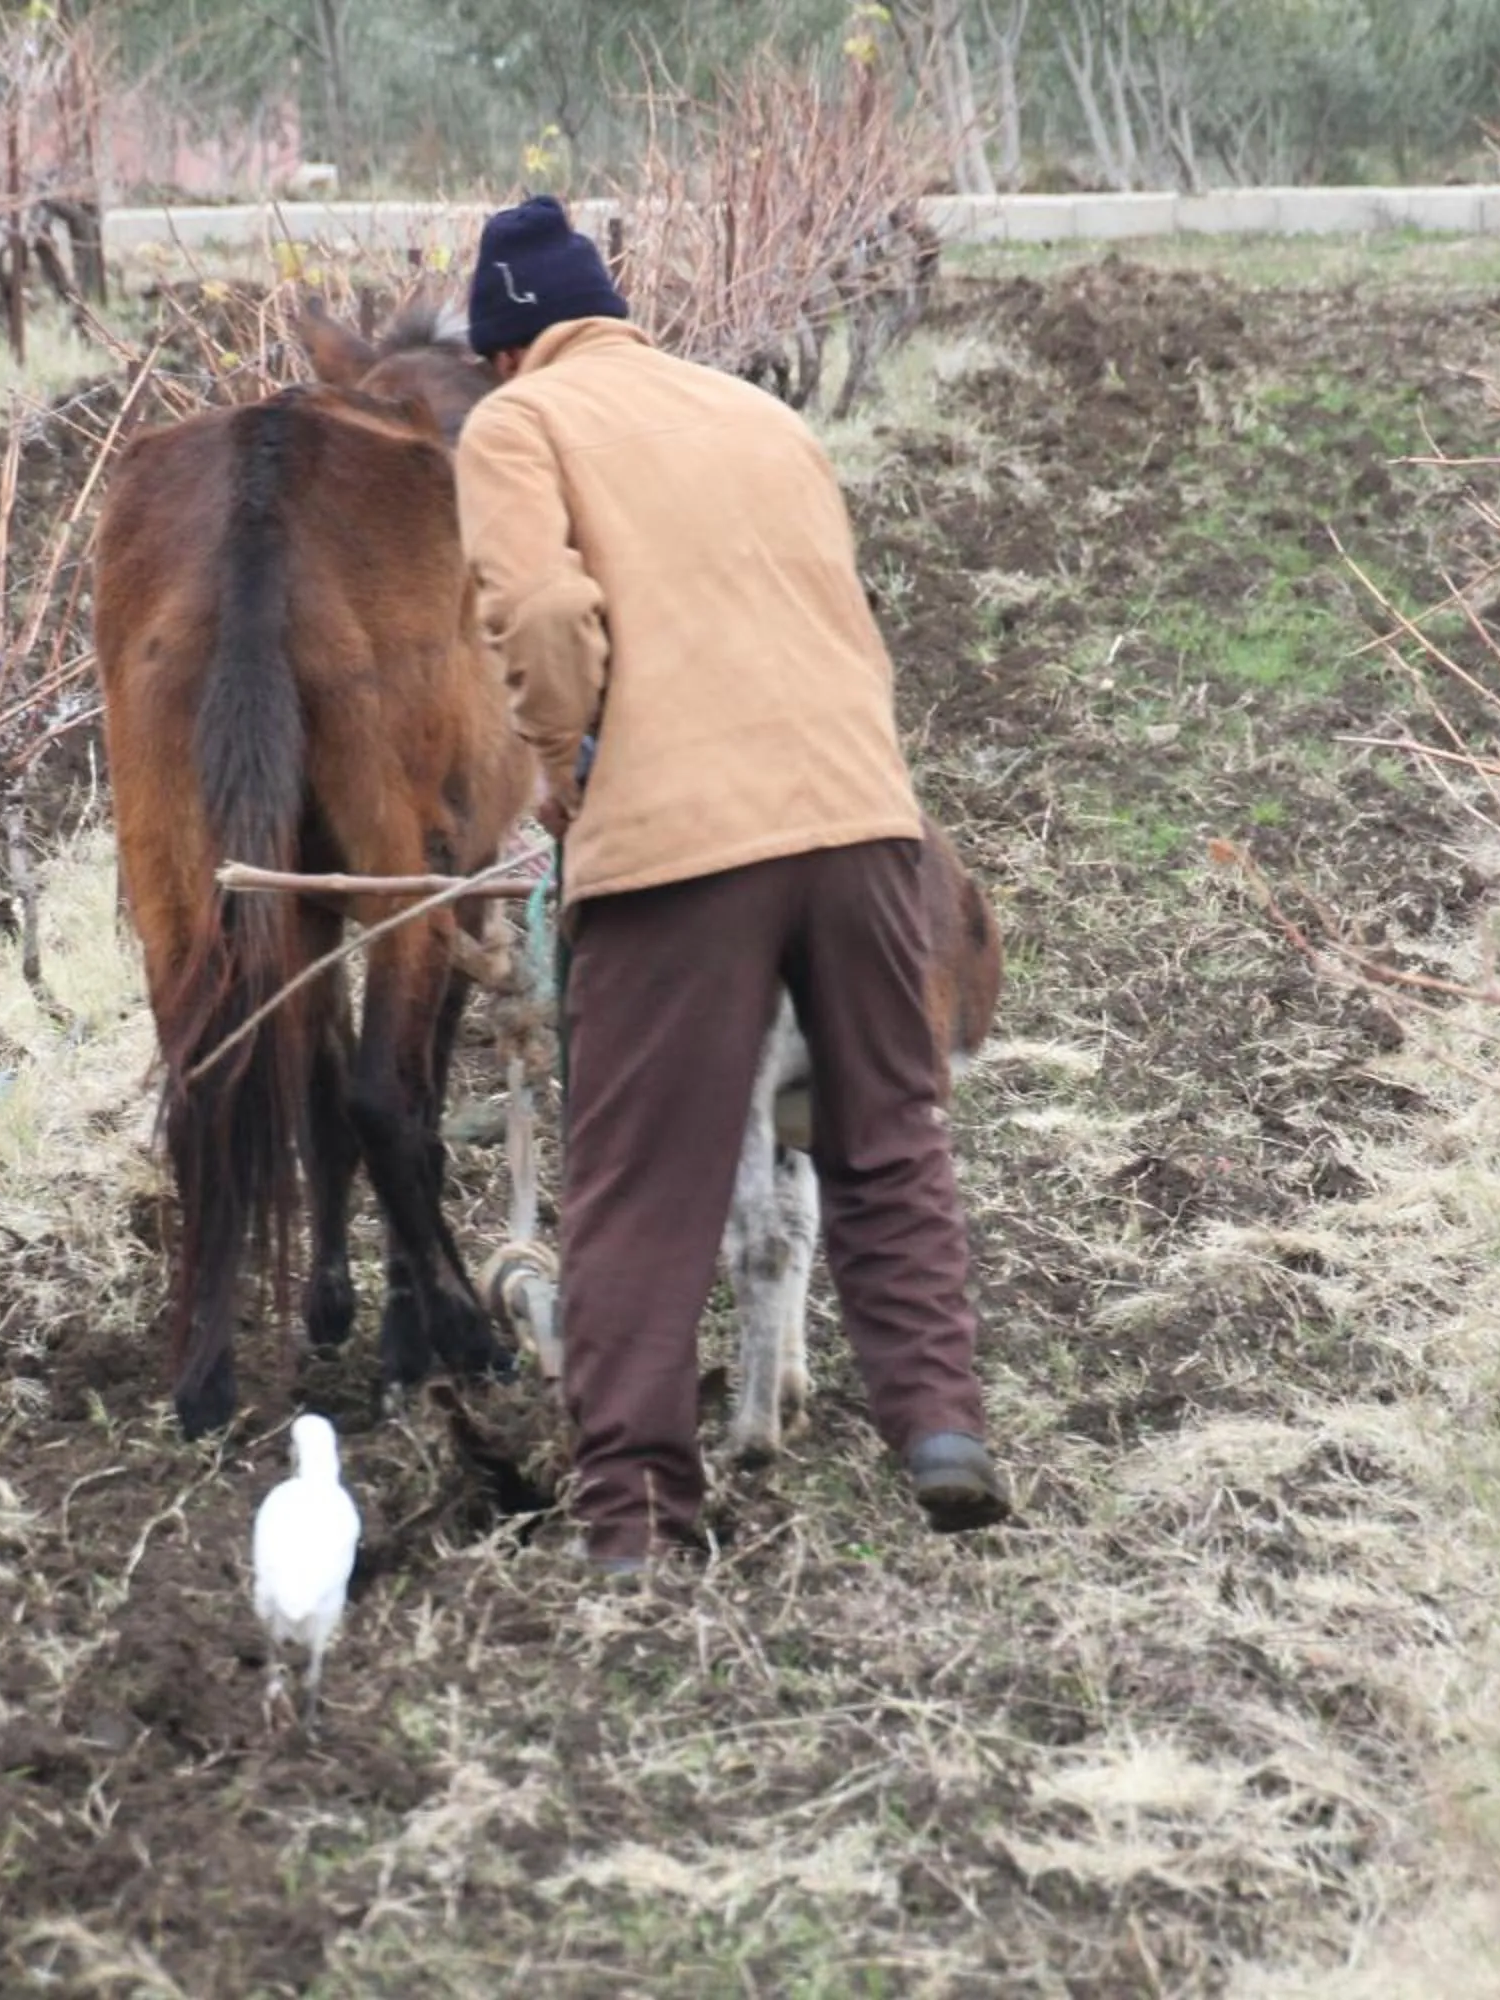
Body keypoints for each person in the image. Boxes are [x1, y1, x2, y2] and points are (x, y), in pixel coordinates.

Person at [449, 193, 1013, 1575]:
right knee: (889, 1141)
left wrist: (560, 762)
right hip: (869, 825)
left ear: (508, 349)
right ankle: (941, 1429)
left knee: (641, 1188)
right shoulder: (763, 418)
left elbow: (538, 615)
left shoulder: (517, 424)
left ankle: (637, 1516)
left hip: (677, 849)